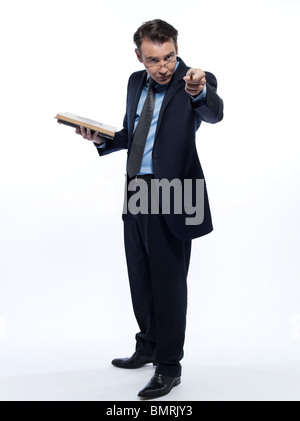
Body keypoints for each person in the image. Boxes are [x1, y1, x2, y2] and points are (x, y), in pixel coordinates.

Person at [76, 19, 223, 399]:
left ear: (177, 49)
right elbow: (131, 133)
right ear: (139, 55)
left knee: (169, 282)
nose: (163, 67)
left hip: (176, 190)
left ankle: (169, 366)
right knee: (140, 273)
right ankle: (148, 345)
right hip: (138, 188)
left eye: (169, 57)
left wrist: (198, 89)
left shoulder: (193, 81)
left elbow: (212, 111)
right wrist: (101, 138)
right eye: (154, 59)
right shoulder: (133, 82)